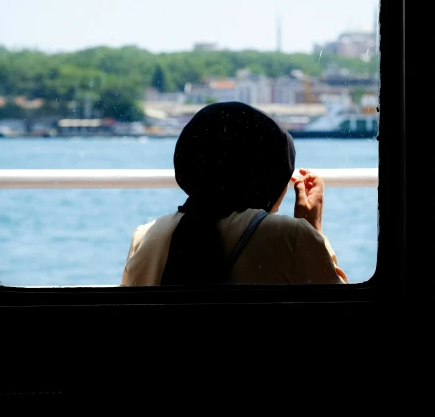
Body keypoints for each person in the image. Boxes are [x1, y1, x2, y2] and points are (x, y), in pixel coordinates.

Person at [121, 101, 348, 286]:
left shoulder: (146, 236)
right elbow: (340, 306)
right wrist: (314, 231)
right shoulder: (291, 237)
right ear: (267, 180)